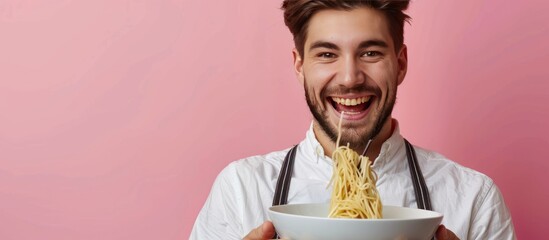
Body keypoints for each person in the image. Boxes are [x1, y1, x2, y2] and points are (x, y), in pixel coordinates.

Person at [190, 0, 516, 239]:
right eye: (327, 54)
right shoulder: (242, 189)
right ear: (299, 65)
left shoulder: (474, 198)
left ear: (400, 63)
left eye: (370, 52)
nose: (349, 78)